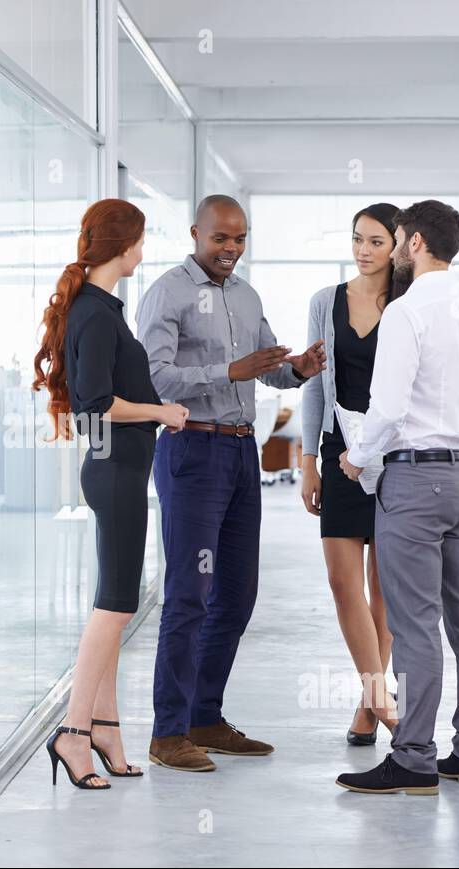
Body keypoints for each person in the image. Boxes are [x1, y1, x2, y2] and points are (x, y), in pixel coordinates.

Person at [137, 194, 326, 772]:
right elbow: (155, 377)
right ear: (196, 233)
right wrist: (228, 371)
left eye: (240, 239)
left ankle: (205, 718)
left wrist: (295, 370)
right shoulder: (166, 292)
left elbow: (267, 365)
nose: (231, 249)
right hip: (192, 449)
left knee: (236, 595)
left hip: (243, 452)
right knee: (188, 595)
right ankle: (167, 732)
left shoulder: (247, 295)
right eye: (221, 238)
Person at [335, 199, 459, 795]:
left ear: (411, 243)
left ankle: (412, 758)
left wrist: (357, 459)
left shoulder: (407, 313)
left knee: (414, 626)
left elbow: (385, 409)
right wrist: (456, 439)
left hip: (412, 481)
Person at [32, 198, 189, 790]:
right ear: (124, 246)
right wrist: (162, 411)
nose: (143, 253)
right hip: (116, 470)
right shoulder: (96, 315)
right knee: (116, 605)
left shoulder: (98, 308)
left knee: (114, 600)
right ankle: (73, 732)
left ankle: (105, 726)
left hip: (116, 468)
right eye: (142, 241)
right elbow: (96, 401)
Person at [299, 203, 406, 746]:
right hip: (338, 451)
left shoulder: (410, 303)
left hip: (393, 457)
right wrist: (308, 460)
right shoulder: (326, 303)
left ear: (398, 246)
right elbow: (315, 384)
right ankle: (379, 696)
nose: (363, 251)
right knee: (344, 584)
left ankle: (371, 702)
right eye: (357, 239)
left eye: (376, 242)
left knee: (383, 589)